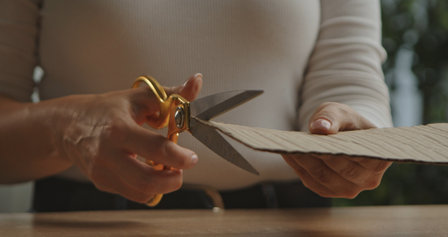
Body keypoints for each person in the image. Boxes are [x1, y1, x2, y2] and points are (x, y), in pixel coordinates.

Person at [0, 0, 393, 211]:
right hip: (84, 221)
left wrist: (354, 135)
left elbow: (349, 75)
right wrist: (66, 128)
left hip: (285, 221)